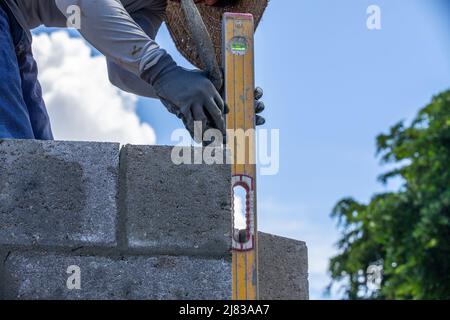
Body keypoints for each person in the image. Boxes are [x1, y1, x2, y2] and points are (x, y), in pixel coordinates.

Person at [0, 0, 268, 141]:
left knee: (38, 165)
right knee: (12, 155)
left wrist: (195, 94)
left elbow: (122, 71)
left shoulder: (151, 6)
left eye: (211, 2)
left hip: (14, 28)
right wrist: (163, 72)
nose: (205, 2)